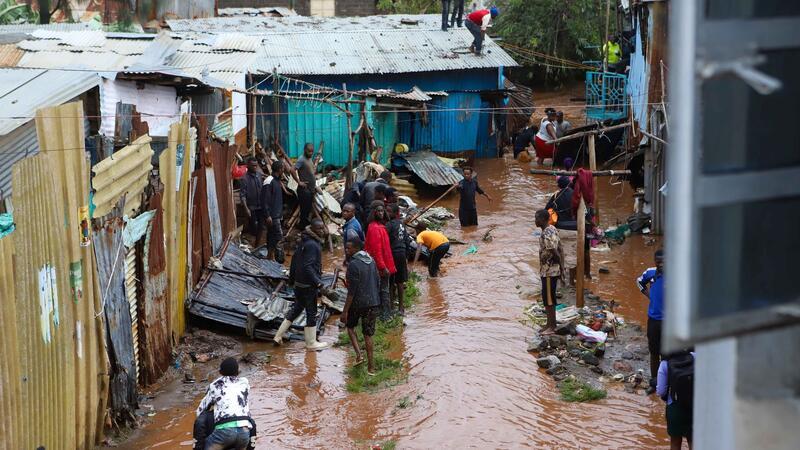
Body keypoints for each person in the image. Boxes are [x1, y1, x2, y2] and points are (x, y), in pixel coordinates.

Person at [273, 219, 330, 350]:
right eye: (319, 229)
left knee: (297, 309)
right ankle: (311, 343)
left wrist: (292, 280)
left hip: (299, 284)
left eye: (323, 228)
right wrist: (319, 283)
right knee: (312, 312)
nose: (322, 231)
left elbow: (294, 261)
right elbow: (308, 266)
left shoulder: (304, 241)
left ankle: (278, 336)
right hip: (308, 285)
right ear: (313, 229)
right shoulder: (313, 245)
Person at [341, 238, 381, 375]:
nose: (347, 250)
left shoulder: (353, 264)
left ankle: (359, 355)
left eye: (349, 248)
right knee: (368, 335)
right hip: (373, 302)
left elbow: (352, 291)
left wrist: (345, 311)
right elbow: (377, 281)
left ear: (356, 248)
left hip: (358, 303)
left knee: (350, 327)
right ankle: (371, 368)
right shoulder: (371, 261)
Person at [195, 358, 253, 450]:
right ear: (238, 372)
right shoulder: (244, 383)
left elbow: (201, 410)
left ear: (220, 372)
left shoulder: (215, 385)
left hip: (224, 433)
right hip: (244, 433)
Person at [637, 249, 665, 392]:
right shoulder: (651, 273)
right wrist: (649, 296)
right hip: (654, 319)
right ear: (655, 261)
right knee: (654, 352)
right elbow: (639, 282)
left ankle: (666, 384)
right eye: (658, 261)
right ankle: (654, 383)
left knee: (667, 353)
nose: (661, 264)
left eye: (664, 261)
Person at [657, 350, 695, 450]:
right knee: (693, 440)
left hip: (675, 408)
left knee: (675, 442)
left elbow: (661, 391)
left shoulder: (664, 364)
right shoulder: (695, 357)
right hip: (694, 406)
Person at [364, 201, 396, 318]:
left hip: (384, 263)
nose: (381, 213)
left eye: (382, 211)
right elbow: (376, 251)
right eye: (379, 211)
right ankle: (385, 315)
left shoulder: (380, 226)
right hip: (380, 266)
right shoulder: (374, 228)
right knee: (383, 290)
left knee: (383, 289)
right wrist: (383, 266)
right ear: (374, 212)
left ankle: (384, 313)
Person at [535, 209, 563, 335]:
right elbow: (560, 248)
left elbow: (554, 251)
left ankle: (552, 326)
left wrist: (560, 266)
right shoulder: (552, 228)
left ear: (542, 219)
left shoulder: (547, 232)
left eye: (536, 218)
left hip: (549, 271)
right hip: (550, 270)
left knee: (549, 299)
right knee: (548, 298)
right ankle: (549, 324)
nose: (535, 221)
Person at [545, 176, 577, 284]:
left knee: (560, 254)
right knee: (574, 255)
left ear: (559, 185)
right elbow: (586, 213)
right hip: (575, 229)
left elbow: (546, 210)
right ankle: (572, 281)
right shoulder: (577, 195)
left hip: (559, 229)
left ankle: (561, 278)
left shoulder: (556, 196)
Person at [385, 203, 410, 316]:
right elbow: (406, 240)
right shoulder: (401, 224)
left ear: (395, 213)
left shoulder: (389, 225)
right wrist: (406, 256)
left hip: (393, 254)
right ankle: (401, 307)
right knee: (400, 282)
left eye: (389, 211)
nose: (387, 213)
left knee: (391, 281)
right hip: (402, 253)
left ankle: (391, 307)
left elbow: (385, 241)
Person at [261, 160, 284, 261]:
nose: (284, 170)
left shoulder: (277, 181)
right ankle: (273, 256)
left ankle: (270, 256)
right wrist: (267, 215)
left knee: (271, 235)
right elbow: (264, 200)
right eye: (283, 168)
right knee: (278, 236)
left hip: (276, 214)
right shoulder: (269, 181)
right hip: (272, 216)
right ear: (279, 169)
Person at [239, 157, 264, 246]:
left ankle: (257, 245)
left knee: (261, 227)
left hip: (260, 206)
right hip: (251, 207)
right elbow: (242, 195)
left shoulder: (259, 175)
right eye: (253, 165)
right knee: (254, 228)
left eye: (256, 165)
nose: (255, 167)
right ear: (248, 165)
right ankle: (252, 243)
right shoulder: (244, 179)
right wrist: (246, 208)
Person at [295, 143, 317, 229]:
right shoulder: (301, 159)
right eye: (309, 151)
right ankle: (302, 228)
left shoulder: (309, 158)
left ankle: (304, 227)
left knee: (307, 210)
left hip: (310, 190)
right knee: (304, 211)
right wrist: (299, 182)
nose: (311, 153)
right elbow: (292, 170)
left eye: (312, 151)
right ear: (304, 150)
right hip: (304, 190)